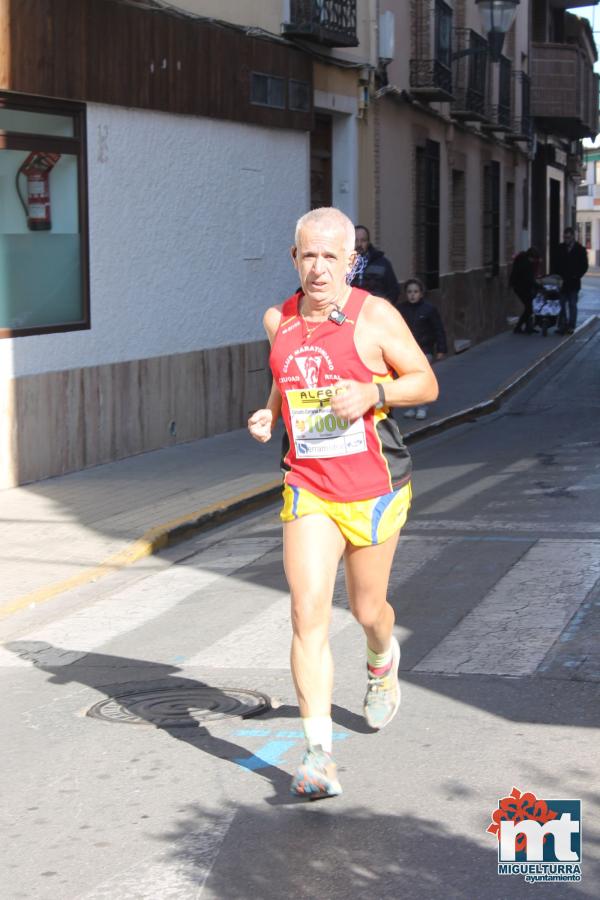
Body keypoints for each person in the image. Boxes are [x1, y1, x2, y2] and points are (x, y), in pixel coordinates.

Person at [248, 207, 438, 799]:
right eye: (310, 255)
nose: (320, 268)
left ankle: (382, 658)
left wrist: (375, 390)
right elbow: (287, 377)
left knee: (367, 608)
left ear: (350, 261)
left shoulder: (374, 316)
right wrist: (270, 412)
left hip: (374, 486)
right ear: (294, 258)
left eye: (333, 256)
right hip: (307, 485)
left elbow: (427, 382)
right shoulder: (277, 318)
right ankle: (317, 755)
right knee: (308, 613)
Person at [397, 278, 447, 420]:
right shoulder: (401, 309)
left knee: (420, 378)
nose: (412, 295)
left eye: (416, 292)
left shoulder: (429, 309)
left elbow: (438, 329)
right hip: (407, 350)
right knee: (408, 378)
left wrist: (441, 349)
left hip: (425, 349)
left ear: (421, 293)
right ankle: (413, 406)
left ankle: (421, 407)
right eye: (409, 292)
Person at [351, 225, 399, 304]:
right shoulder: (344, 263)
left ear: (368, 242)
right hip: (351, 308)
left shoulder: (383, 263)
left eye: (363, 240)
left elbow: (394, 290)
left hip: (374, 310)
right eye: (356, 240)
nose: (359, 244)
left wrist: (385, 307)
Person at [554, 227, 588, 334]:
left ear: (573, 236)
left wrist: (577, 275)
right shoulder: (560, 248)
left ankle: (571, 326)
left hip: (573, 283)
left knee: (572, 305)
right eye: (564, 237)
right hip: (562, 282)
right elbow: (555, 264)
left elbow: (584, 266)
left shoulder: (580, 249)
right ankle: (562, 325)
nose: (566, 239)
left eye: (568, 237)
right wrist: (557, 276)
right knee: (561, 304)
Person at [509, 247, 542, 334]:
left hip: (522, 286)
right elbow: (529, 279)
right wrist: (539, 286)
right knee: (529, 307)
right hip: (520, 287)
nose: (534, 261)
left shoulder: (522, 260)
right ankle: (518, 327)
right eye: (533, 259)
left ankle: (528, 327)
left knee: (529, 306)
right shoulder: (525, 264)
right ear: (530, 257)